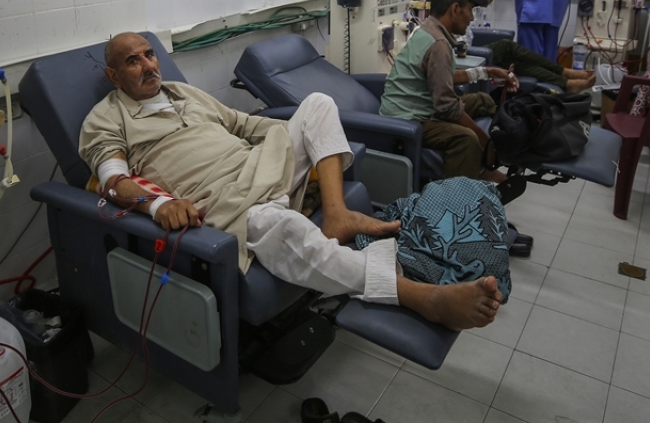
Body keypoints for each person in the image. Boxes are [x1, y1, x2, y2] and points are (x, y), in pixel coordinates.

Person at [78, 32, 504, 331]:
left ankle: (336, 214)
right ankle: (421, 296)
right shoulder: (107, 118)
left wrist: (294, 137)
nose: (148, 65)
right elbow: (112, 181)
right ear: (114, 76)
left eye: (149, 54)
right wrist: (157, 204)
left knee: (317, 104)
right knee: (282, 226)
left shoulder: (183, 93)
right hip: (225, 199)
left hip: (258, 164)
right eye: (133, 61)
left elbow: (246, 124)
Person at [379, 0, 519, 184]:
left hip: (422, 107)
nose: (471, 18)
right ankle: (456, 198)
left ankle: (478, 170)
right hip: (408, 118)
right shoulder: (438, 44)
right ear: (455, 9)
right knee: (466, 139)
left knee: (482, 100)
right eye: (470, 9)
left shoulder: (427, 29)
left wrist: (488, 72)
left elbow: (444, 77)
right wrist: (486, 142)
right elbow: (446, 107)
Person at [482, 38, 596, 93]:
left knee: (518, 63)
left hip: (473, 50)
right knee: (507, 46)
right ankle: (565, 74)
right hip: (473, 54)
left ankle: (567, 82)